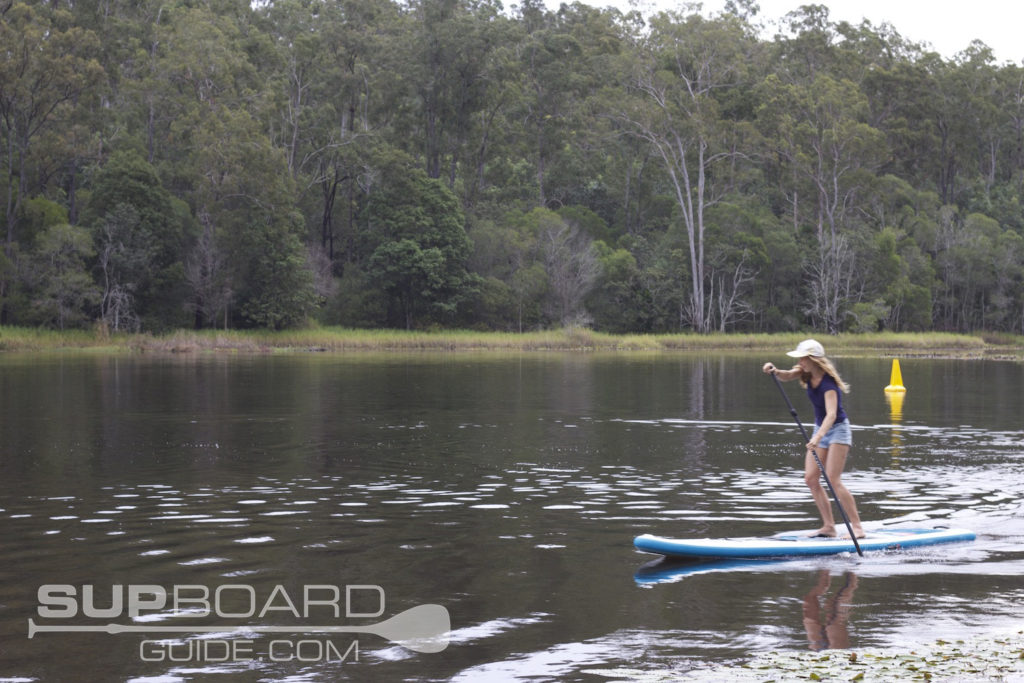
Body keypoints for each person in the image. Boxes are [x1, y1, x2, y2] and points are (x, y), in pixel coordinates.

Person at [762, 339, 864, 539]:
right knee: (810, 479)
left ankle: (858, 528)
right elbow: (786, 375)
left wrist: (817, 437)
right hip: (820, 430)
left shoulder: (828, 384)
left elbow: (832, 415)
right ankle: (829, 527)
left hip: (838, 431)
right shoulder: (805, 372)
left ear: (813, 359)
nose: (800, 361)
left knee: (834, 480)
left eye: (803, 358)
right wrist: (774, 371)